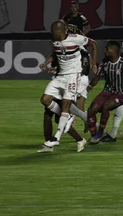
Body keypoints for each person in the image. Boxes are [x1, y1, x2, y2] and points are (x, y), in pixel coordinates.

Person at [39, 20, 97, 149]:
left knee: (66, 106)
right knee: (45, 100)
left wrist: (94, 62)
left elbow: (93, 44)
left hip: (73, 77)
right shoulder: (55, 42)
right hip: (60, 77)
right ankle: (71, 118)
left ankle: (56, 138)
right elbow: (56, 54)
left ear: (61, 31)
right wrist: (46, 63)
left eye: (55, 31)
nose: (53, 34)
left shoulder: (77, 40)